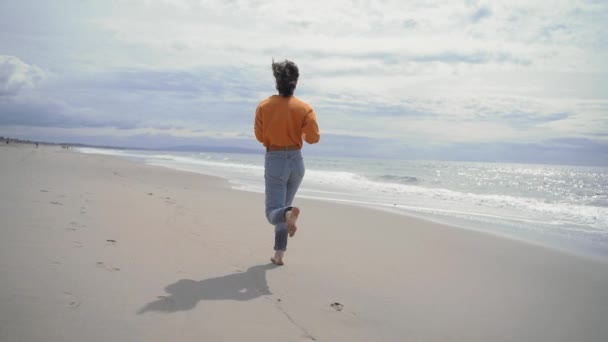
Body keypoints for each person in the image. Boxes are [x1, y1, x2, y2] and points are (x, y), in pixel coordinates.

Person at [254, 59, 320, 266]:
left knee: (275, 212)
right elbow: (313, 138)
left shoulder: (264, 106)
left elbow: (259, 136)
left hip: (275, 160)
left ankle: (289, 214)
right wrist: (296, 127)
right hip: (296, 163)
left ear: (276, 81)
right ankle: (279, 254)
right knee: (283, 208)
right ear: (296, 82)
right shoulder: (305, 108)